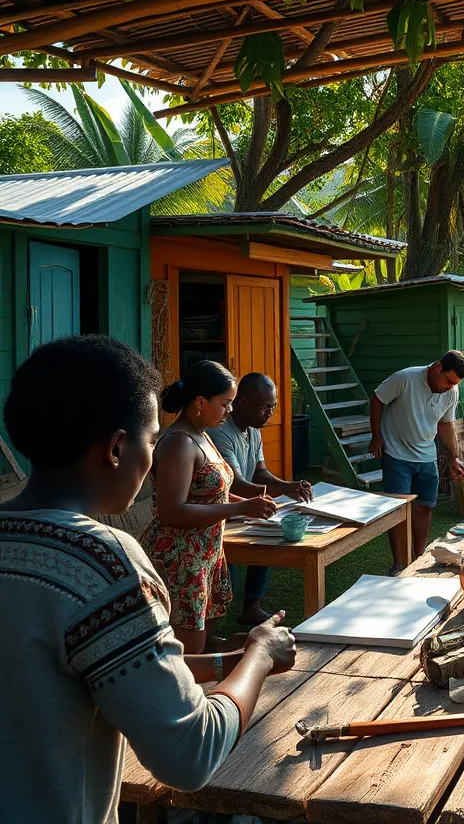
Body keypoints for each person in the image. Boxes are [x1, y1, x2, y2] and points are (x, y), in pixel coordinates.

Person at [0, 335, 296, 823]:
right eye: (152, 440)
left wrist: (227, 660)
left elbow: (97, 670)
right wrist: (260, 656)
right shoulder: (104, 567)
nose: (154, 455)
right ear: (118, 447)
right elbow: (189, 751)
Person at [141, 361, 277, 653]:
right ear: (200, 402)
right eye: (225, 403)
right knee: (186, 657)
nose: (230, 411)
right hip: (180, 558)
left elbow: (211, 495)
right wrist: (240, 510)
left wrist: (250, 506)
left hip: (205, 554)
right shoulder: (179, 443)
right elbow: (172, 511)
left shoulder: (202, 435)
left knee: (205, 646)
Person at [209, 373, 314, 625]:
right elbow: (237, 483)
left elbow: (260, 472)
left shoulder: (254, 432)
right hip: (222, 512)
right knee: (227, 582)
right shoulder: (221, 433)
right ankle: (210, 632)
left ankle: (252, 606)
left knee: (268, 534)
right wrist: (266, 498)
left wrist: (288, 486)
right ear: (243, 403)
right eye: (265, 407)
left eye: (273, 407)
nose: (270, 413)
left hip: (243, 510)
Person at [370, 351, 464, 571]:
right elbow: (377, 399)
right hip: (396, 455)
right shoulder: (405, 378)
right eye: (448, 380)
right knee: (398, 510)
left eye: (455, 384)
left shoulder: (451, 392)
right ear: (437, 368)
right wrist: (376, 435)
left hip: (426, 456)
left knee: (425, 507)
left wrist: (453, 457)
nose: (450, 387)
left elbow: (445, 424)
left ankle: (418, 558)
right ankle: (399, 564)